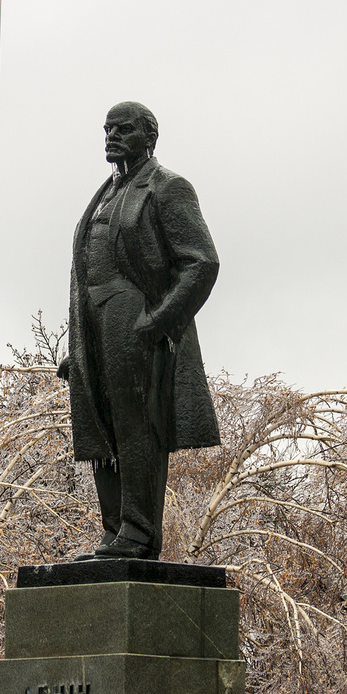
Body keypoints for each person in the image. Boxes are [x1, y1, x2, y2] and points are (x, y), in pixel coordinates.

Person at [57, 101, 221, 561]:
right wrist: (79, 344)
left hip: (135, 323)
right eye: (108, 128)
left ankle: (140, 532)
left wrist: (156, 323)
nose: (112, 136)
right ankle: (114, 532)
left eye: (124, 129)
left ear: (149, 137)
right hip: (95, 325)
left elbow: (202, 262)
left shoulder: (168, 187)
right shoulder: (103, 194)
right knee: (101, 430)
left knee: (136, 427)